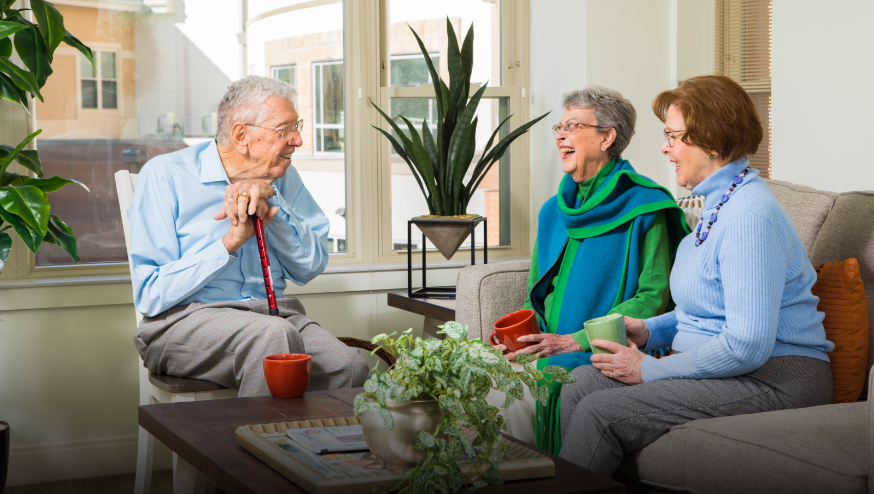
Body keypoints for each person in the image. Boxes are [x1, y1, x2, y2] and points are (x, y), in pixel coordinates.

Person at [559, 75, 835, 477]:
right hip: (736, 369)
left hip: (776, 378)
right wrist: (650, 331)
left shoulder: (748, 217)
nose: (664, 147)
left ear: (713, 143)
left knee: (602, 411)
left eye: (674, 136)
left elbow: (746, 345)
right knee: (580, 383)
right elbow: (706, 309)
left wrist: (648, 369)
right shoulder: (716, 206)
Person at [128, 76, 368, 397]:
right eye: (284, 130)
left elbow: (309, 267)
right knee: (272, 338)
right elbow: (151, 294)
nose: (297, 140)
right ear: (242, 135)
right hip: (181, 324)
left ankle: (310, 445)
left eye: (297, 126)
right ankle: (259, 445)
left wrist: (273, 201)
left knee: (349, 366)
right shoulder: (165, 174)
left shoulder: (284, 177)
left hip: (275, 315)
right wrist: (229, 243)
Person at [496, 86, 689, 454]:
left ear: (607, 137)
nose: (561, 135)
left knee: (517, 390)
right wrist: (520, 339)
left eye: (573, 125)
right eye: (559, 127)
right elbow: (536, 293)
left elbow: (653, 299)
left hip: (604, 348)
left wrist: (573, 341)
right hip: (551, 343)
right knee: (481, 374)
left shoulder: (647, 206)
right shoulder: (553, 211)